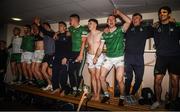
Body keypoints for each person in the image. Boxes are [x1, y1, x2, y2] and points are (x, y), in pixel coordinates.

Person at [93, 9, 131, 106]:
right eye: (109, 20)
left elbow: (129, 21)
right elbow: (100, 47)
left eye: (113, 19)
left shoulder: (120, 30)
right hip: (109, 58)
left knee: (119, 79)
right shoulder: (104, 34)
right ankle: (106, 95)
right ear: (107, 22)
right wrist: (96, 57)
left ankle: (122, 96)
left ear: (115, 21)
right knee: (101, 77)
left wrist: (119, 13)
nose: (110, 21)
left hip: (119, 58)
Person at [151, 6, 180, 109]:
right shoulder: (156, 27)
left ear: (169, 14)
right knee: (157, 80)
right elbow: (144, 30)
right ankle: (158, 101)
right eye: (160, 13)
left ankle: (173, 102)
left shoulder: (176, 26)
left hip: (175, 57)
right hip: (161, 57)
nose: (161, 14)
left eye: (164, 12)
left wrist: (177, 22)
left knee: (175, 80)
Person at [124, 13, 153, 104]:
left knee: (139, 78)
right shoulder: (128, 29)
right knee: (128, 78)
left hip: (139, 58)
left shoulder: (145, 29)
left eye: (137, 18)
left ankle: (132, 94)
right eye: (134, 18)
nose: (135, 19)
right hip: (128, 57)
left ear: (141, 20)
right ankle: (126, 94)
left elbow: (158, 30)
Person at [68, 14, 88, 96]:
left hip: (81, 52)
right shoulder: (71, 28)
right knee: (70, 71)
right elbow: (65, 30)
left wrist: (80, 55)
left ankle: (80, 88)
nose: (69, 22)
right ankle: (74, 88)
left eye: (71, 20)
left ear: (76, 20)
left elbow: (84, 42)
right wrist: (56, 33)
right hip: (72, 53)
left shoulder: (83, 29)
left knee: (78, 73)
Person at [86, 19, 104, 101]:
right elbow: (88, 46)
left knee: (97, 77)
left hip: (99, 56)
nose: (89, 25)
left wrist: (96, 57)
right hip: (89, 56)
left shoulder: (101, 33)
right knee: (92, 76)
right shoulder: (87, 35)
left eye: (90, 23)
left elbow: (101, 47)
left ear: (95, 25)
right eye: (88, 23)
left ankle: (98, 95)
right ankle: (95, 93)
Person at [52, 21, 72, 96]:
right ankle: (56, 88)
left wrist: (66, 57)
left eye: (60, 26)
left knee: (63, 74)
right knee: (55, 73)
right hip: (56, 57)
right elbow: (54, 39)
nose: (59, 27)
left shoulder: (68, 35)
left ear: (64, 27)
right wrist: (56, 33)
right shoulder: (58, 35)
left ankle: (64, 89)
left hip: (64, 58)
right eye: (58, 26)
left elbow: (70, 47)